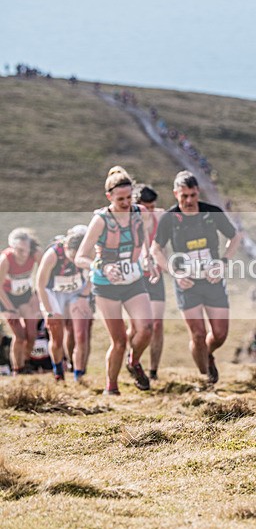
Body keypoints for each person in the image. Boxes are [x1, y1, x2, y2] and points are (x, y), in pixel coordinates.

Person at [151, 171, 242, 384]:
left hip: (212, 281)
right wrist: (174, 273)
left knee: (219, 334)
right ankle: (205, 378)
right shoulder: (169, 219)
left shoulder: (212, 212)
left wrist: (223, 262)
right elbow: (155, 249)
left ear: (197, 192)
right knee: (198, 334)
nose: (189, 200)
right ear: (176, 194)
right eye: (184, 196)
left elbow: (235, 237)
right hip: (187, 284)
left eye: (192, 195)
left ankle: (206, 354)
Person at [75, 166, 156, 395]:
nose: (126, 203)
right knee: (119, 341)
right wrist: (101, 266)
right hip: (106, 285)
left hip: (133, 280)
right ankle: (111, 387)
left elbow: (145, 239)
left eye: (129, 197)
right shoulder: (101, 220)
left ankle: (134, 362)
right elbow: (80, 256)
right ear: (109, 197)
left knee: (146, 329)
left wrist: (148, 256)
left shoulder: (139, 212)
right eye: (120, 199)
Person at [35, 227, 93, 381]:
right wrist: (48, 312)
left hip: (77, 292)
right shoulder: (53, 255)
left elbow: (95, 274)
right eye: (72, 257)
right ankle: (58, 370)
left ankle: (78, 375)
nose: (75, 262)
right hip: (53, 293)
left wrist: (84, 295)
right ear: (66, 248)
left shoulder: (90, 251)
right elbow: (40, 284)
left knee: (81, 334)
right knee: (56, 335)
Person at [133, 184, 166, 380]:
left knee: (157, 324)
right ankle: (134, 361)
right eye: (147, 207)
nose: (150, 211)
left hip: (156, 277)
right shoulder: (128, 221)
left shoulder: (160, 217)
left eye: (153, 207)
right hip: (135, 278)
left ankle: (153, 371)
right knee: (137, 327)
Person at [0, 228, 43, 375]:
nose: (24, 254)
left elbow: (46, 273)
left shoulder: (35, 254)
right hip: (6, 299)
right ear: (12, 248)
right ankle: (17, 369)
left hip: (25, 296)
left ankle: (25, 362)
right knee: (19, 335)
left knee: (32, 334)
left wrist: (37, 295)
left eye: (26, 249)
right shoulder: (5, 260)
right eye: (19, 250)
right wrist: (10, 309)